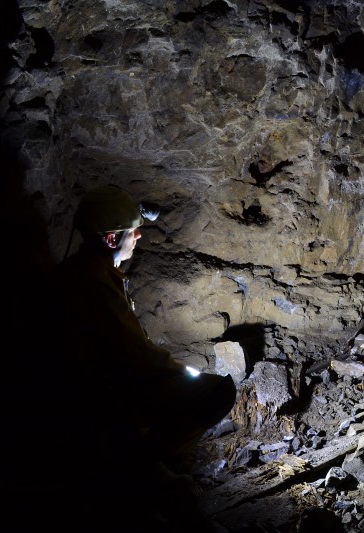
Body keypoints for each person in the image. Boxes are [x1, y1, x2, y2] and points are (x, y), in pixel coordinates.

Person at [51, 184, 236, 482]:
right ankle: (149, 464)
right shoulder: (94, 284)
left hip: (103, 388)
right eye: (133, 231)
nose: (139, 236)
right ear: (111, 238)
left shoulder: (87, 271)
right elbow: (137, 353)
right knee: (217, 392)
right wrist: (181, 372)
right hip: (103, 397)